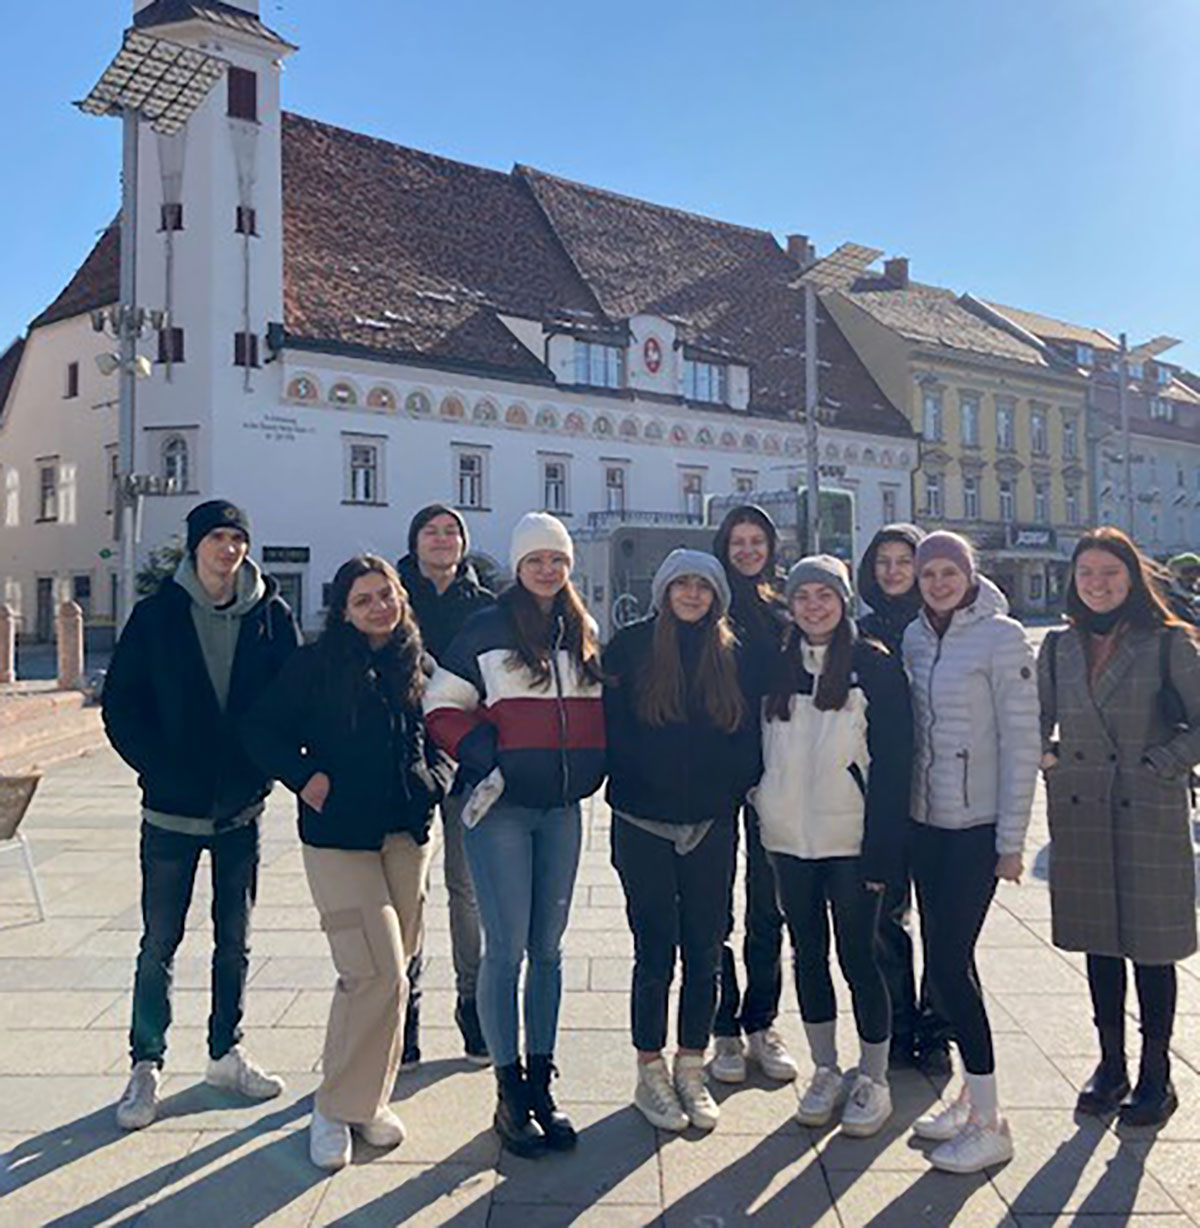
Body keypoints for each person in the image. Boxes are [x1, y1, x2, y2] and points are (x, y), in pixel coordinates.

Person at [242, 555, 452, 1169]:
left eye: (385, 595)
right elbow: (260, 729)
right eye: (364, 599)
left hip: (406, 835)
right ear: (343, 609)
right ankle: (333, 1109)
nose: (378, 607)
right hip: (339, 840)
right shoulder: (316, 664)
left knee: (390, 975)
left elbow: (446, 731)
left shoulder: (419, 661)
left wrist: (434, 779)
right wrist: (305, 777)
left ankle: (368, 1100)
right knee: (374, 973)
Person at [102, 499, 300, 1131]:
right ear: (195, 546)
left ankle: (225, 1052)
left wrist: (265, 767)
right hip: (170, 811)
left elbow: (291, 699)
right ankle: (144, 1065)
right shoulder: (157, 616)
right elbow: (121, 705)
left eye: (238, 537)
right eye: (217, 537)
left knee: (233, 942)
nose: (228, 549)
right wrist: (155, 767)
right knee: (159, 942)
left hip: (240, 809)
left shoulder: (271, 615)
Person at [424, 512, 605, 1157]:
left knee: (549, 950)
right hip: (500, 807)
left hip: (560, 809)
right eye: (536, 561)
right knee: (506, 951)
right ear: (518, 566)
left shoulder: (582, 630)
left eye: (557, 560)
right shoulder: (486, 629)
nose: (548, 570)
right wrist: (487, 758)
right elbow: (440, 706)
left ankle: (541, 1081)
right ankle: (508, 1094)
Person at [1038, 528, 1200, 1127]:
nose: (1097, 584)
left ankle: (1157, 1072)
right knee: (1099, 941)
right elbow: (1035, 715)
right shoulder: (1058, 645)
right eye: (1086, 574)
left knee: (1152, 948)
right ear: (1073, 582)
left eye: (1109, 572)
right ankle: (1111, 1063)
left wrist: (1166, 763)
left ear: (1132, 577)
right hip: (1082, 809)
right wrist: (1045, 757)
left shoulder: (1168, 642)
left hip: (1147, 808)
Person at [757, 556, 913, 1137]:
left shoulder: (873, 666)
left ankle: (873, 1076)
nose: (814, 607)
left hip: (851, 840)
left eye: (825, 596)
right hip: (788, 838)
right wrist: (762, 798)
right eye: (803, 598)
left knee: (860, 957)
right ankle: (826, 1068)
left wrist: (884, 851)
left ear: (844, 601)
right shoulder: (777, 667)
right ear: (791, 606)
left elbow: (895, 763)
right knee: (808, 954)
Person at [604, 550, 760, 1133]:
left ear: (717, 596)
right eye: (682, 585)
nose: (692, 594)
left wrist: (729, 791)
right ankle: (650, 1070)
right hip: (643, 822)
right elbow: (614, 727)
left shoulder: (733, 653)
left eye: (703, 586)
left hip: (711, 825)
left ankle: (690, 1065)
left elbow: (747, 736)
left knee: (705, 947)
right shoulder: (633, 645)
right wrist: (638, 787)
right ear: (664, 591)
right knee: (654, 949)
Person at [902, 531, 1040, 1173]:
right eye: (926, 573)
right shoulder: (915, 636)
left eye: (946, 571)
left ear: (969, 574)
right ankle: (969, 1094)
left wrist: (1012, 842)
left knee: (951, 969)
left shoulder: (1002, 637)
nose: (936, 582)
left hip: (977, 827)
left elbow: (1021, 744)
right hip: (928, 822)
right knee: (949, 965)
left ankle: (991, 1122)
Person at [396, 504, 495, 1066]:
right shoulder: (392, 595)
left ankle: (471, 1004)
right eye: (430, 531)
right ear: (414, 542)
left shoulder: (483, 604)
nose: (442, 539)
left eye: (451, 531)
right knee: (410, 892)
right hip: (403, 761)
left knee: (467, 888)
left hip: (465, 760)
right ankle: (406, 1008)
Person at [856, 523, 952, 1076]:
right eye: (884, 561)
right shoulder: (860, 632)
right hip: (883, 795)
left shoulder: (944, 628)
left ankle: (939, 1029)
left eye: (905, 560)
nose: (894, 571)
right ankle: (896, 1026)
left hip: (943, 791)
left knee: (942, 919)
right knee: (883, 918)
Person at [708, 505, 798, 1086]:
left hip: (774, 771)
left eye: (756, 541)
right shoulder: (702, 605)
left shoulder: (782, 610)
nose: (746, 550)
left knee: (770, 902)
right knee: (714, 904)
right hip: (713, 773)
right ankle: (723, 1028)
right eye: (737, 541)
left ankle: (763, 1019)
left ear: (769, 547)